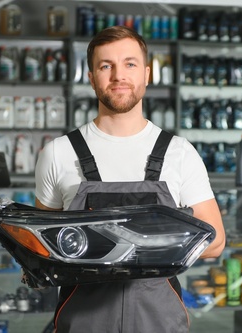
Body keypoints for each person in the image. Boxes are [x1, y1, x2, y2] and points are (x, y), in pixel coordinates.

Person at [34, 25, 225, 333]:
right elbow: (42, 246)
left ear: (147, 74)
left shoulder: (179, 153)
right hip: (83, 321)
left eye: (130, 64)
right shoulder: (57, 153)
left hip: (158, 320)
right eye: (105, 66)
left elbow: (215, 240)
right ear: (91, 76)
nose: (118, 76)